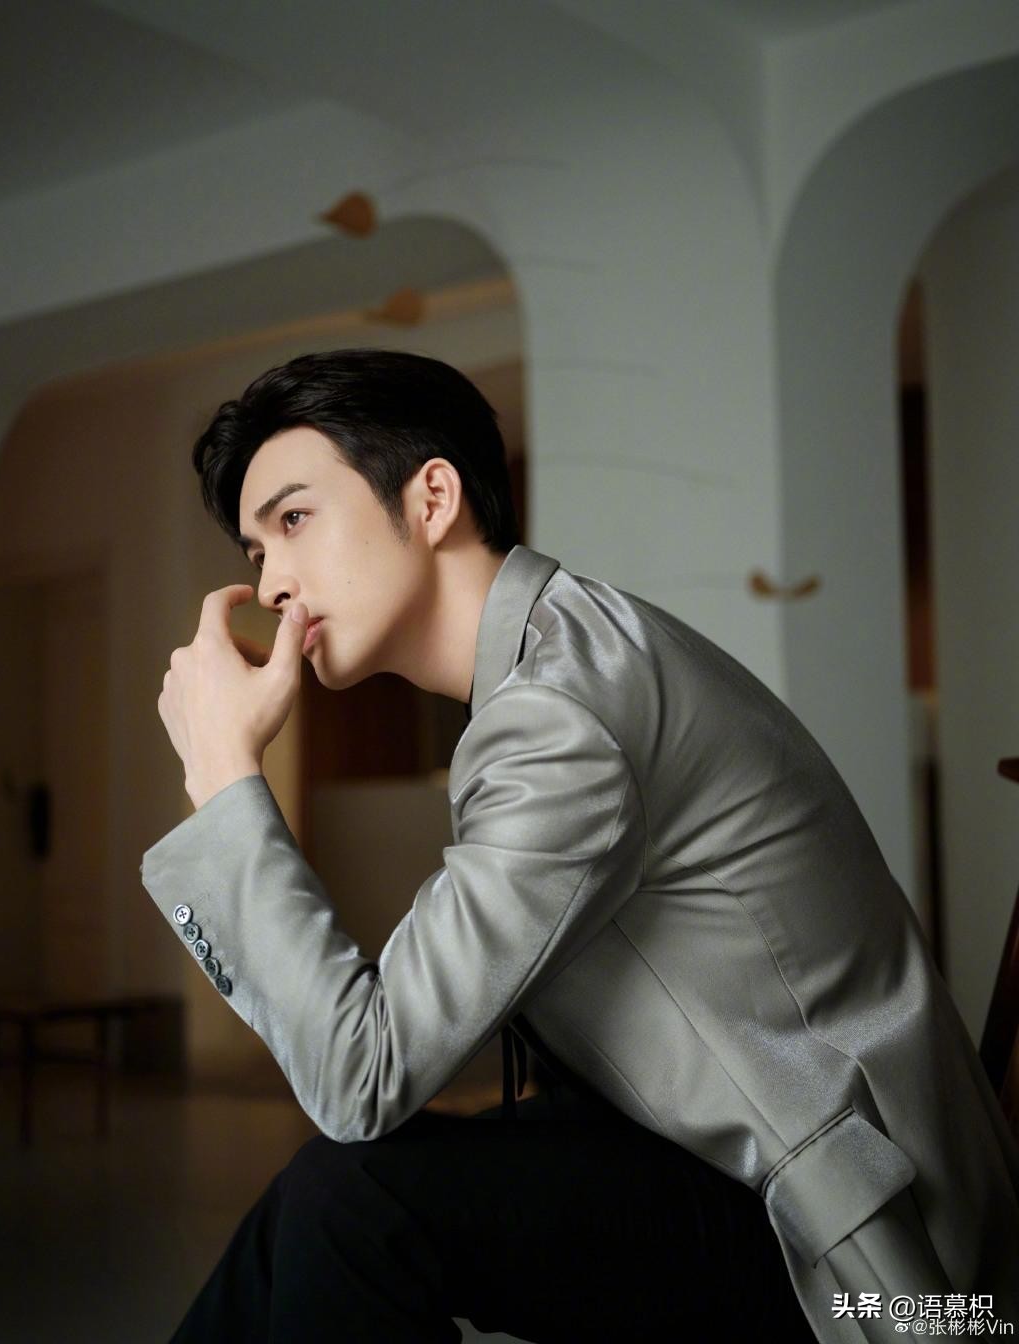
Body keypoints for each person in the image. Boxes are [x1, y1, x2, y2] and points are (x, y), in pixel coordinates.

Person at [141, 348, 1019, 1344]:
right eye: (255, 552)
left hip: (857, 1248)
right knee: (311, 1209)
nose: (272, 583)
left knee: (350, 1200)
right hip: (716, 1157)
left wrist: (224, 774)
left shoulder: (560, 710)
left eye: (294, 520)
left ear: (433, 499)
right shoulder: (554, 661)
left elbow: (361, 1075)